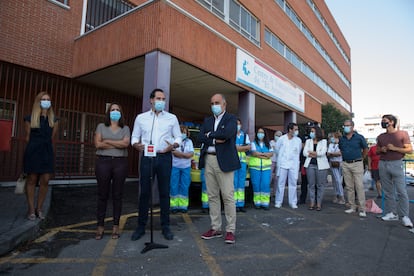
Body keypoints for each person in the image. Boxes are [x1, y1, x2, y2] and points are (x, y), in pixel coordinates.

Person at [130, 88, 182, 241]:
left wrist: (173, 146)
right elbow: (134, 137)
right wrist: (135, 145)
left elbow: (178, 137)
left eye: (163, 99)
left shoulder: (172, 118)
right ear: (151, 100)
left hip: (165, 157)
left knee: (165, 192)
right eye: (158, 99)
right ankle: (141, 227)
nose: (161, 102)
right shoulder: (141, 118)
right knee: (145, 192)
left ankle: (165, 227)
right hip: (147, 157)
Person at [198, 93, 240, 244]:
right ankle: (215, 228)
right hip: (209, 159)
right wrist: (215, 137)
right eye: (212, 103)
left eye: (217, 102)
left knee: (228, 196)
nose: (214, 105)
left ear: (224, 104)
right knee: (212, 196)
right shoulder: (208, 120)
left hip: (224, 161)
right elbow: (200, 137)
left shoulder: (231, 119)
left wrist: (210, 135)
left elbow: (228, 134)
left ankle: (230, 230)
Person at [94, 103, 130, 240]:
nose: (115, 112)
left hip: (120, 162)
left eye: (117, 110)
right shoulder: (101, 126)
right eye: (112, 110)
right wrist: (117, 143)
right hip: (103, 162)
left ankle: (116, 227)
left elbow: (126, 144)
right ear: (108, 112)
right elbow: (97, 144)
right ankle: (100, 226)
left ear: (121, 113)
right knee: (102, 195)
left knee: (117, 195)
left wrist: (107, 141)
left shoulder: (125, 128)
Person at [23, 91, 59, 220]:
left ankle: (39, 208)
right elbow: (28, 138)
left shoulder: (54, 120)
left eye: (48, 99)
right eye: (43, 99)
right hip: (33, 151)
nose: (46, 101)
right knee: (32, 179)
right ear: (38, 101)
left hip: (47, 152)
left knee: (45, 180)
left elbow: (52, 137)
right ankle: (31, 209)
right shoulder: (29, 118)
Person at [376, 114, 413, 228]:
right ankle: (392, 213)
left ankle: (405, 216)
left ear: (391, 122)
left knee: (402, 191)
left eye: (385, 121)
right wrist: (381, 150)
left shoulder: (402, 134)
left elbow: (410, 150)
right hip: (383, 163)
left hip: (396, 163)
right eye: (382, 121)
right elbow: (377, 151)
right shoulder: (381, 136)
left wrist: (395, 148)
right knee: (387, 191)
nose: (383, 123)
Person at [338, 119, 368, 218]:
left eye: (347, 125)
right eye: (344, 125)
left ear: (352, 127)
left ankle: (362, 208)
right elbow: (341, 150)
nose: (345, 127)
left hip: (357, 163)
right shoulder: (342, 139)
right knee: (349, 186)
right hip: (346, 163)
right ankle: (352, 206)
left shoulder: (359, 138)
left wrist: (361, 159)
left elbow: (365, 149)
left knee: (359, 186)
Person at [274, 122, 302, 209]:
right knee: (281, 183)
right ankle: (278, 201)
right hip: (283, 164)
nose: (297, 131)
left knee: (293, 183)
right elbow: (277, 149)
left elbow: (299, 151)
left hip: (293, 164)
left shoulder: (298, 140)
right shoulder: (282, 139)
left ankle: (293, 202)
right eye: (295, 129)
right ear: (290, 130)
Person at [303, 125, 329, 211]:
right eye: (311, 131)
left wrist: (312, 153)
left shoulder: (324, 141)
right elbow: (304, 153)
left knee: (320, 185)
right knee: (311, 185)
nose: (311, 133)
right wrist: (315, 153)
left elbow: (322, 153)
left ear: (317, 132)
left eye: (313, 131)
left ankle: (319, 203)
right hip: (310, 165)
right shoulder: (308, 141)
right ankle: (312, 202)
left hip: (321, 166)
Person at [170, 125, 194, 213]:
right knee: (174, 186)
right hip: (175, 166)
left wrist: (181, 154)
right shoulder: (173, 141)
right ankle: (174, 206)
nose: (183, 134)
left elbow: (191, 154)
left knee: (184, 186)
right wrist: (185, 155)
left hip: (186, 167)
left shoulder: (189, 142)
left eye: (184, 132)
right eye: (181, 132)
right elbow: (174, 153)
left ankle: (183, 206)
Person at [249, 127, 273, 210]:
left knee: (265, 184)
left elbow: (271, 154)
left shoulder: (268, 144)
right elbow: (254, 153)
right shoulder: (253, 143)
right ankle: (257, 202)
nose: (260, 134)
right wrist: (265, 154)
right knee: (256, 185)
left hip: (266, 168)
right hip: (255, 168)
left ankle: (265, 203)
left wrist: (260, 154)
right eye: (259, 132)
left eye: (262, 132)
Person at [234, 119, 251, 212]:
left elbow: (248, 147)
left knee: (241, 184)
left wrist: (238, 148)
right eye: (236, 124)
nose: (238, 126)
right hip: (233, 161)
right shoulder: (231, 135)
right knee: (234, 183)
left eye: (239, 124)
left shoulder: (245, 136)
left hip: (242, 162)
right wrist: (242, 148)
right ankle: (234, 204)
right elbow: (231, 147)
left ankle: (240, 204)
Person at [327, 132, 345, 204]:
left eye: (334, 137)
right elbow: (328, 153)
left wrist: (332, 154)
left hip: (340, 164)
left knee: (338, 180)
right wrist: (335, 154)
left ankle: (338, 194)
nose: (332, 139)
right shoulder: (331, 145)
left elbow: (340, 153)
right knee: (336, 180)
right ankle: (340, 195)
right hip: (333, 164)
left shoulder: (341, 145)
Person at [270, 130, 283, 199]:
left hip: (279, 161)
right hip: (271, 160)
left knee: (277, 178)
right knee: (269, 177)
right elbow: (273, 150)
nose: (277, 137)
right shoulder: (271, 142)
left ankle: (275, 193)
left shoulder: (282, 143)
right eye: (276, 135)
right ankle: (267, 193)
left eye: (279, 135)